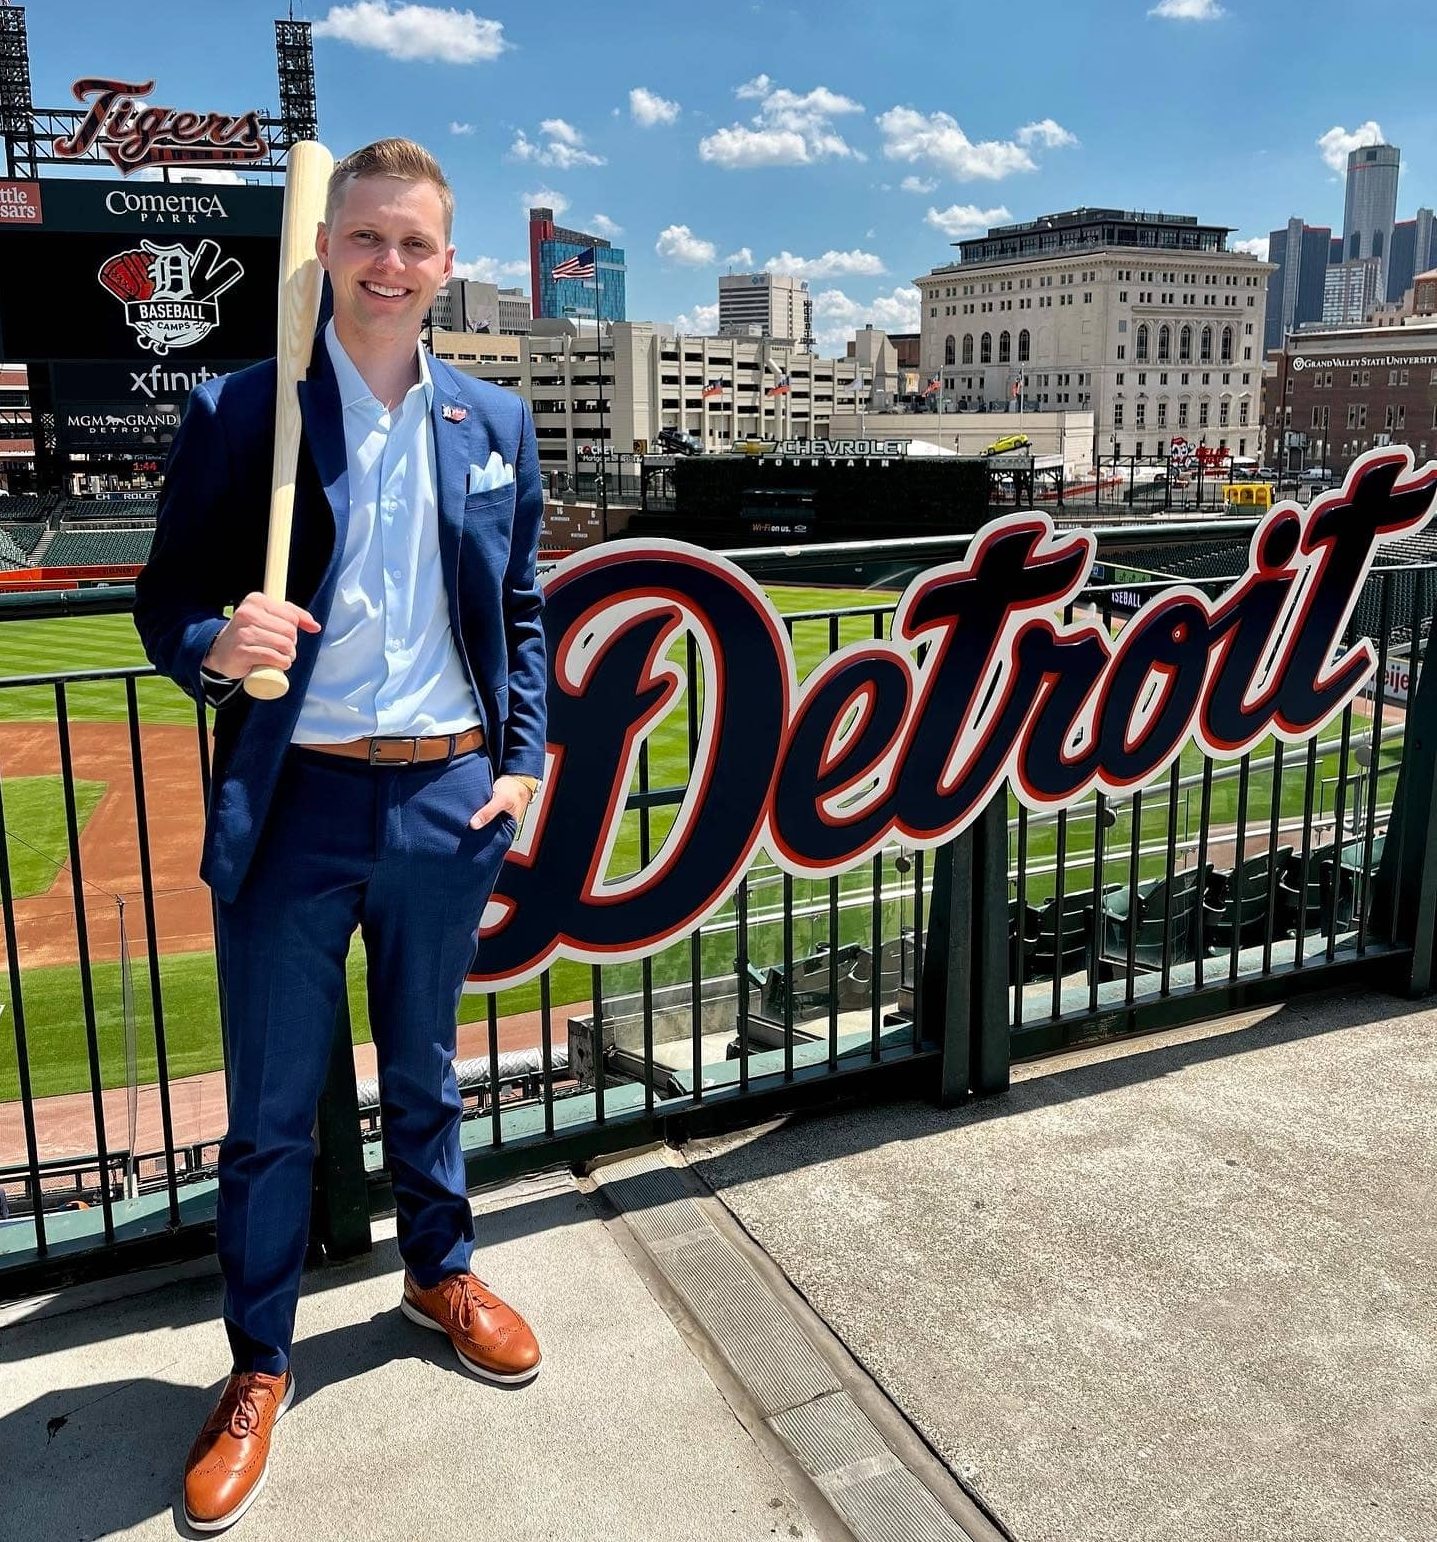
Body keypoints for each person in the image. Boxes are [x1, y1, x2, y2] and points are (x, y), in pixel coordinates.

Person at [134, 138, 547, 1534]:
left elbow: (524, 608)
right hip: (297, 798)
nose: (388, 262)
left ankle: (440, 1272)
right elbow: (166, 601)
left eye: (413, 243)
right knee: (268, 1113)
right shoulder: (243, 408)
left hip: (444, 797)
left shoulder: (492, 421)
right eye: (365, 236)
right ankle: (259, 1362)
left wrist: (521, 765)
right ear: (327, 250)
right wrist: (216, 641)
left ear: (447, 264)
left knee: (426, 1069)